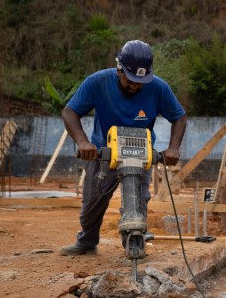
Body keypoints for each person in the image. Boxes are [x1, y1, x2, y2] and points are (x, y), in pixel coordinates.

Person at [59, 40, 187, 255]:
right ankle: (87, 241)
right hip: (103, 154)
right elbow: (69, 112)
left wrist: (173, 147)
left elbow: (179, 117)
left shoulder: (158, 87)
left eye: (141, 80)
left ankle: (134, 240)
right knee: (92, 203)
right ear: (119, 69)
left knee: (138, 200)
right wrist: (82, 142)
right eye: (131, 79)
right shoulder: (97, 82)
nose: (136, 85)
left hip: (140, 154)